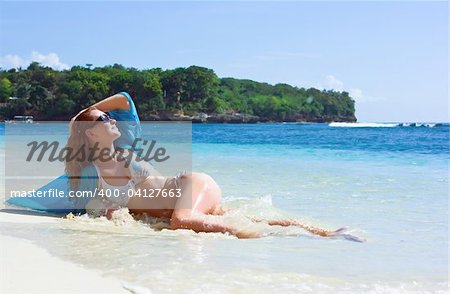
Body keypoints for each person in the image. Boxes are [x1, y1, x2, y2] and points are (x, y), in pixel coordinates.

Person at [65, 92, 359, 240]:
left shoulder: (125, 154)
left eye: (109, 117)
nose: (112, 119)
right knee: (254, 216)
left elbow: (124, 100)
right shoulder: (91, 173)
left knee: (181, 221)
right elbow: (91, 205)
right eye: (104, 120)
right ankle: (327, 232)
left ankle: (251, 237)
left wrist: (87, 112)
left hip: (189, 186)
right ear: (91, 134)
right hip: (185, 204)